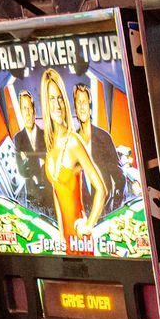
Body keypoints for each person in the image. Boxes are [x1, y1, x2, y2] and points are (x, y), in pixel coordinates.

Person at [38, 71, 106, 251]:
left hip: (80, 239)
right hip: (66, 243)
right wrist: (61, 236)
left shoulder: (74, 141)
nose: (57, 105)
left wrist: (88, 225)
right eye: (52, 99)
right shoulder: (51, 147)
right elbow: (56, 192)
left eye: (60, 98)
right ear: (46, 104)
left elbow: (101, 189)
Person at [71, 83, 124, 210]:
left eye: (85, 102)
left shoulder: (104, 137)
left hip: (105, 210)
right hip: (82, 213)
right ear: (75, 108)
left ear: (90, 107)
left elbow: (119, 177)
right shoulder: (72, 141)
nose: (82, 107)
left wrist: (115, 207)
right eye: (79, 102)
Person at [9, 90, 50, 213]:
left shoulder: (46, 135)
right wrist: (39, 161)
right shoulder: (18, 138)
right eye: (24, 109)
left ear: (34, 110)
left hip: (49, 195)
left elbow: (50, 165)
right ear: (20, 112)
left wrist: (29, 159)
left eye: (29, 108)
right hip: (31, 198)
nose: (27, 113)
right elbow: (22, 170)